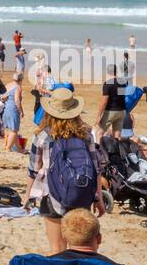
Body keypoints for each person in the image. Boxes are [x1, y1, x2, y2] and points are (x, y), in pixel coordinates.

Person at [25, 89, 107, 254]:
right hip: (82, 194)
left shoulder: (42, 136)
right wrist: (98, 198)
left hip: (52, 195)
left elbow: (33, 170)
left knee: (57, 249)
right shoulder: (86, 135)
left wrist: (28, 196)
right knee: (82, 249)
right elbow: (96, 169)